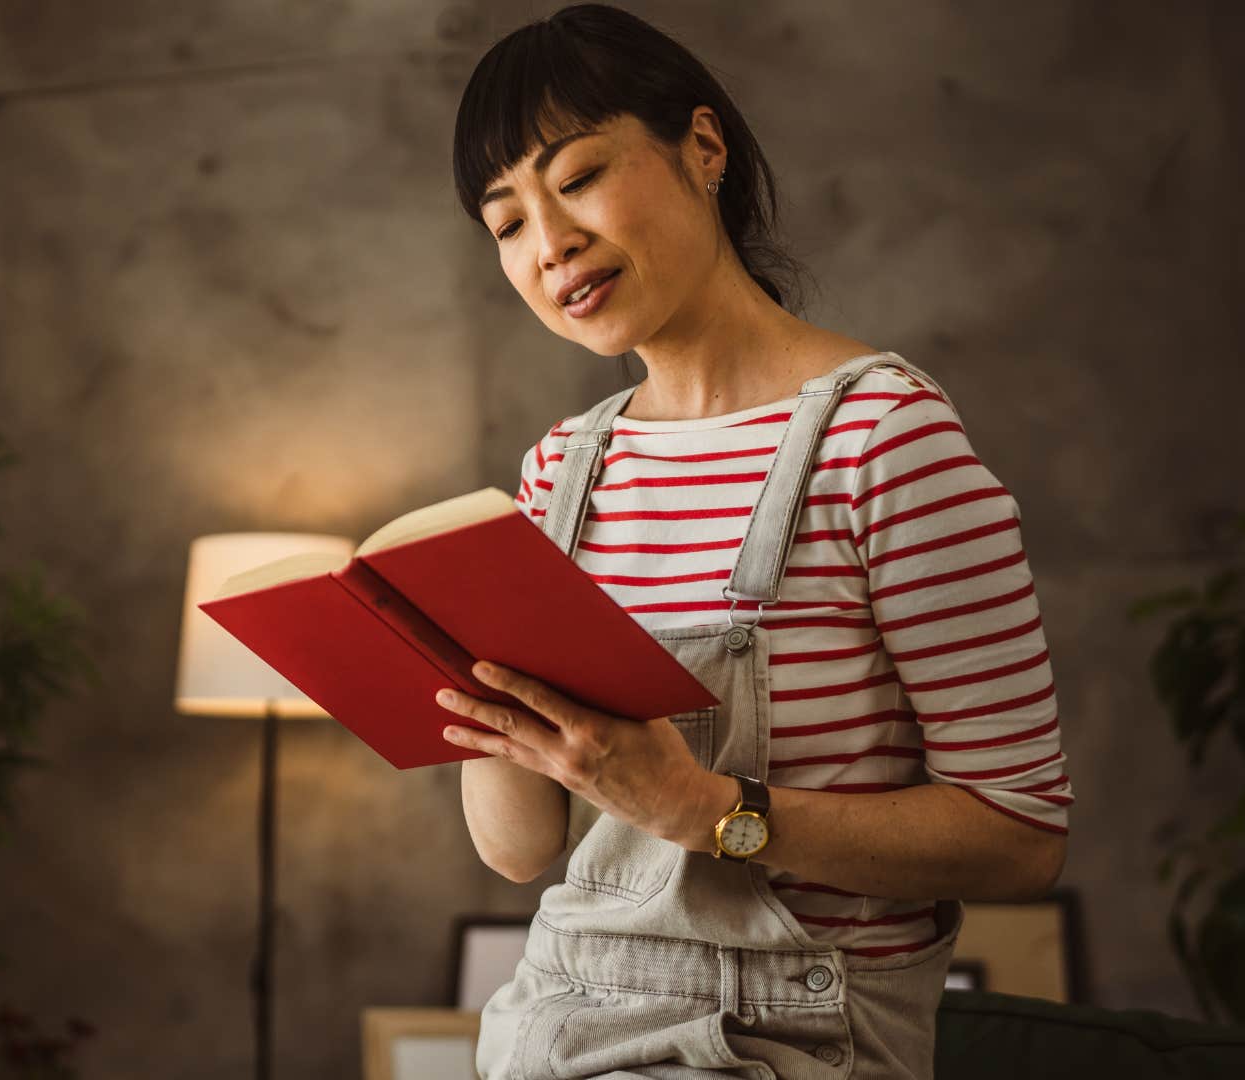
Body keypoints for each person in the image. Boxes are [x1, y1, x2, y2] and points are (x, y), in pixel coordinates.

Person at [430, 6, 1074, 1079]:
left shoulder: (885, 437)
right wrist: (466, 666)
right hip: (558, 1020)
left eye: (578, 178)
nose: (550, 246)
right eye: (506, 225)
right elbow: (519, 849)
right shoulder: (560, 472)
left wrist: (711, 813)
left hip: (792, 1036)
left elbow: (1021, 837)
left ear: (703, 148)